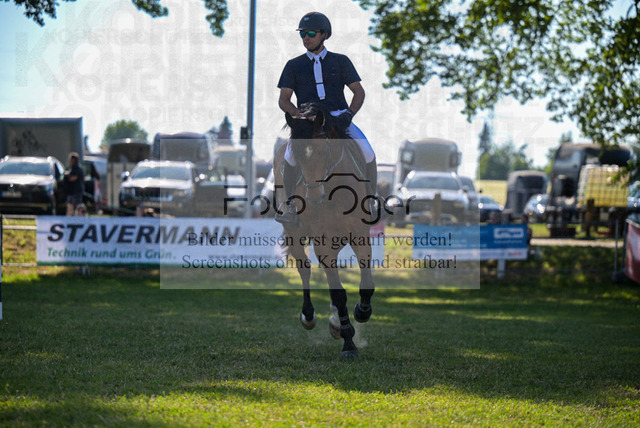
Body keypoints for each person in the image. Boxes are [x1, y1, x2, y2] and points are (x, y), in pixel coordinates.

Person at [275, 12, 377, 224]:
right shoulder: (293, 65)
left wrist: (349, 114)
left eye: (311, 33)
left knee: (368, 152)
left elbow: (358, 92)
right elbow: (284, 99)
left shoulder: (341, 61)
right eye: (303, 34)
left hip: (338, 117)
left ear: (324, 35)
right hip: (308, 121)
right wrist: (299, 116)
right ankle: (291, 205)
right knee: (289, 158)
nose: (306, 37)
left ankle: (371, 201)